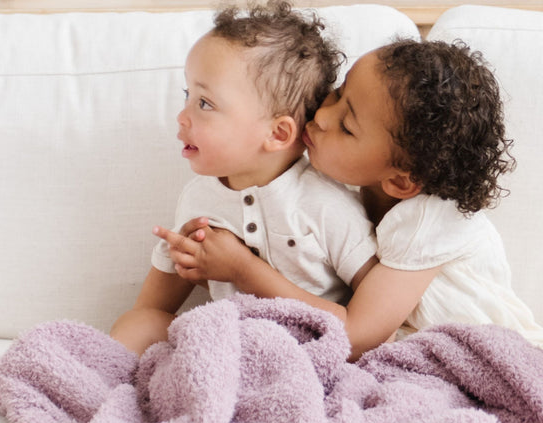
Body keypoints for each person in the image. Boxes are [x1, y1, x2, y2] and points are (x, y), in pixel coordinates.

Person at [156, 38, 543, 360]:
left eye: (347, 126)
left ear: (402, 181)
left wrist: (243, 269)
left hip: (478, 353)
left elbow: (357, 334)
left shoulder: (429, 221)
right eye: (338, 93)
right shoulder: (343, 190)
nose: (322, 117)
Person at [110, 0, 378, 355]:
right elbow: (153, 306)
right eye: (188, 96)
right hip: (227, 347)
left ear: (278, 134)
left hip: (305, 354)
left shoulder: (326, 204)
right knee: (137, 324)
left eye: (204, 104)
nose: (182, 116)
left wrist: (241, 268)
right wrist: (180, 257)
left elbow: (371, 324)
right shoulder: (198, 199)